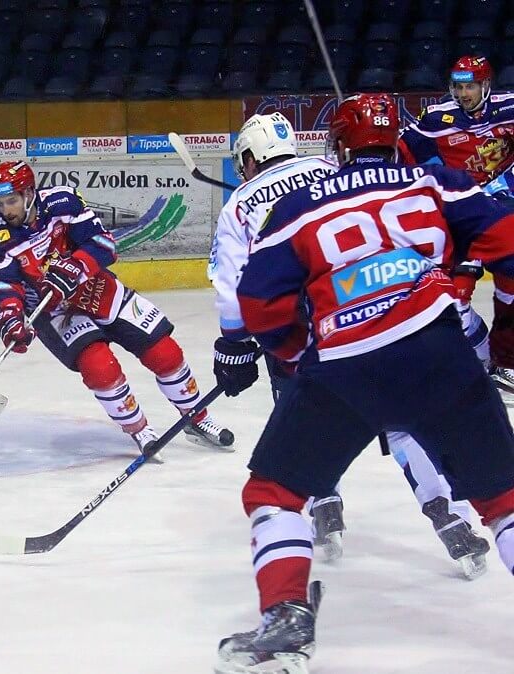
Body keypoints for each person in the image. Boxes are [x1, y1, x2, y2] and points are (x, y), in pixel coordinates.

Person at [213, 93, 514, 674]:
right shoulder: (435, 182)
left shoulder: (299, 206)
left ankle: (286, 618)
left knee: (274, 493)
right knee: (504, 501)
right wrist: (503, 332)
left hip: (345, 366)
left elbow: (257, 303)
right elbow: (507, 240)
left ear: (338, 146)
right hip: (440, 351)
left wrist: (298, 355)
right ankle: (448, 514)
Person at [0, 161, 234, 454]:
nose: (6, 210)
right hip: (54, 309)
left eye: (11, 201)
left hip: (96, 288)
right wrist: (11, 318)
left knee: (166, 353)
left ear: (28, 194)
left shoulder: (62, 201)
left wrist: (76, 266)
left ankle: (198, 418)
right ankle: (139, 430)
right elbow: (4, 286)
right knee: (100, 368)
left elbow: (104, 245)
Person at [399, 55, 514, 399]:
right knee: (453, 295)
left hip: (503, 213)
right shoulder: (437, 117)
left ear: (486, 85)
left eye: (471, 86)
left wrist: (505, 182)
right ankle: (478, 360)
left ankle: (506, 361)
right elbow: (403, 149)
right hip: (461, 219)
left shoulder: (510, 109)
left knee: (510, 290)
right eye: (458, 87)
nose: (463, 94)